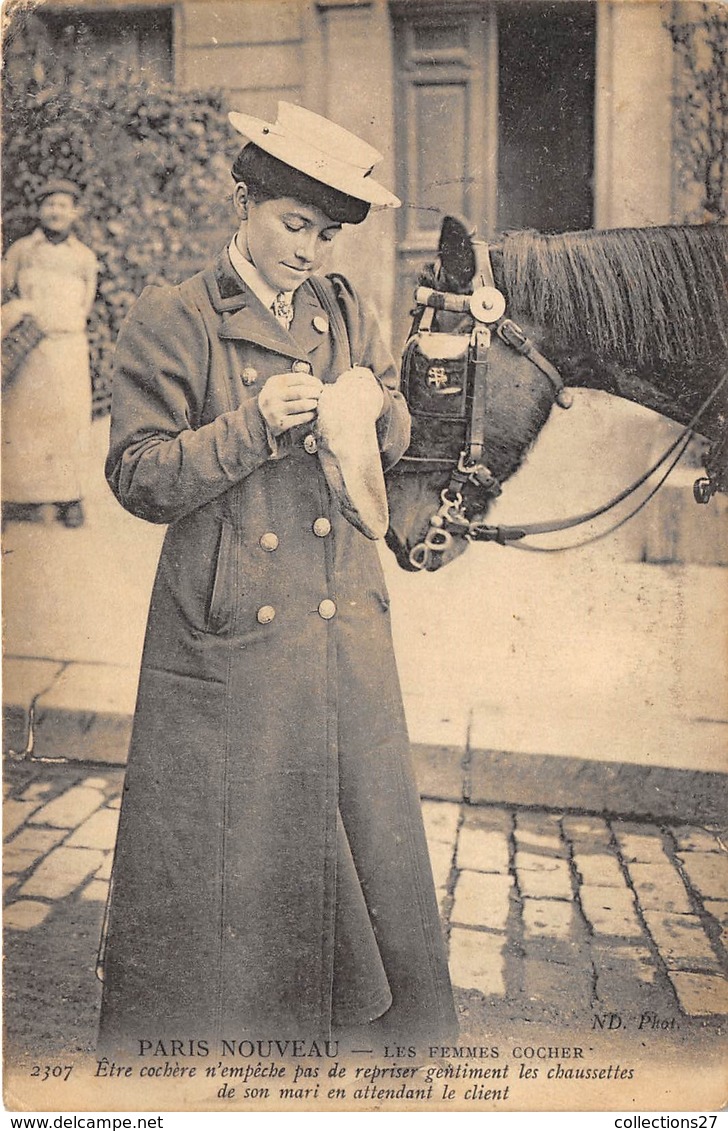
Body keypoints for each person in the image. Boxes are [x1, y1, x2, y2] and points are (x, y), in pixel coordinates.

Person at [98, 102, 458, 1050]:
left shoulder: (348, 311)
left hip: (340, 617)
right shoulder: (172, 316)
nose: (310, 249)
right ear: (243, 199)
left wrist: (378, 408)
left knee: (357, 827)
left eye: (328, 233)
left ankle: (352, 1042)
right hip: (230, 633)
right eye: (295, 224)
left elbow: (401, 433)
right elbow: (137, 474)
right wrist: (254, 426)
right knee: (231, 844)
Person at [1, 179, 98, 528]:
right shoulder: (23, 250)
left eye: (63, 205)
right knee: (23, 422)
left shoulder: (83, 257)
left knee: (68, 421)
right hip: (30, 348)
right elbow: (5, 291)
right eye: (49, 205)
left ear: (74, 212)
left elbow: (85, 303)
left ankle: (68, 497)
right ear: (39, 210)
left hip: (68, 347)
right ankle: (18, 498)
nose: (56, 212)